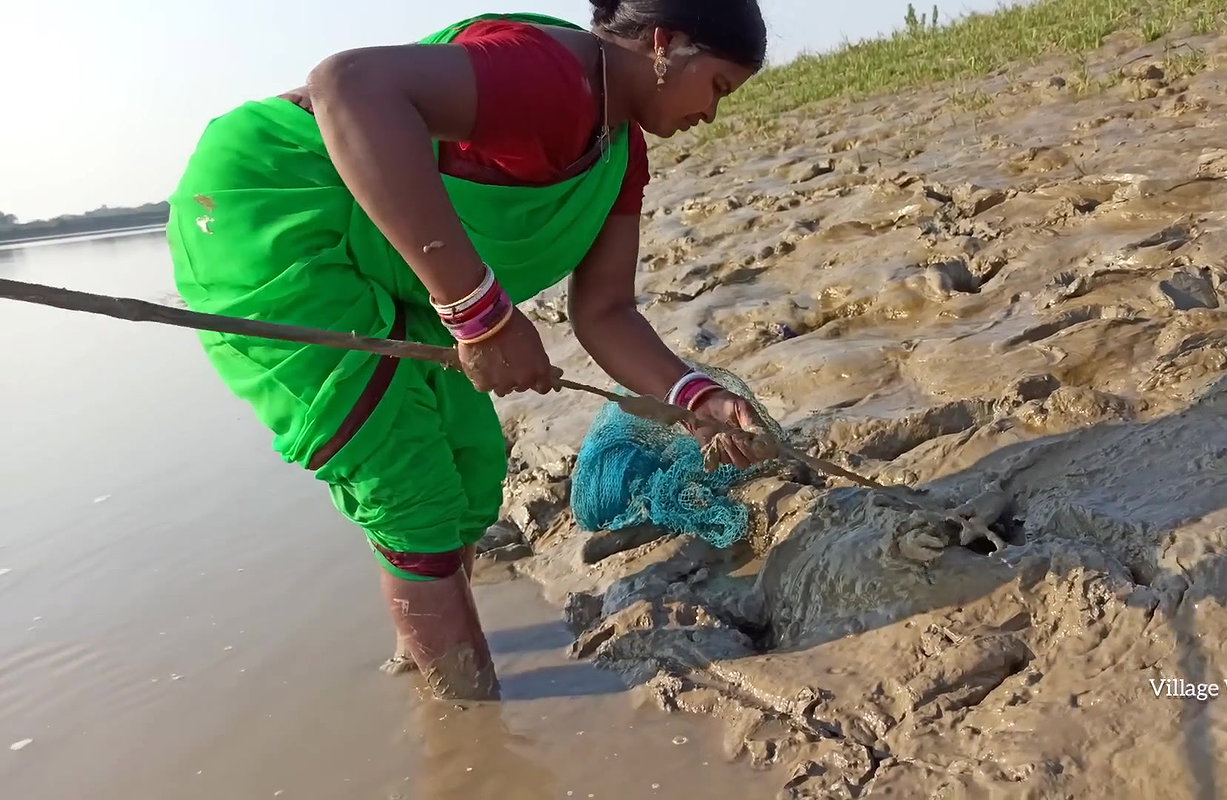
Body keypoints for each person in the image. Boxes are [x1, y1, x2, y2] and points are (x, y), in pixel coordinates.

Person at [164, 0, 771, 702]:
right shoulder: (550, 73)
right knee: (407, 490)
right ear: (665, 45)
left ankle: (418, 655)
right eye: (719, 88)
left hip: (402, 269)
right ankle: (468, 716)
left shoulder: (620, 154)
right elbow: (349, 85)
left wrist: (699, 400)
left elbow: (605, 312)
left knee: (470, 473)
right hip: (279, 218)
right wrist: (480, 314)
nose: (713, 115)